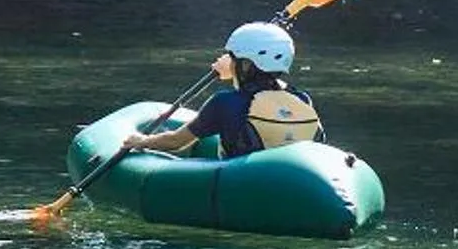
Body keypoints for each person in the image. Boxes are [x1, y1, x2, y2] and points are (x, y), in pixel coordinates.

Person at [126, 21, 322, 159]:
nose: (228, 60)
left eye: (232, 57)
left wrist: (142, 141)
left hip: (243, 185)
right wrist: (235, 67)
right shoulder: (302, 99)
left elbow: (176, 142)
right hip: (291, 185)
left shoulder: (224, 102)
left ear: (245, 64)